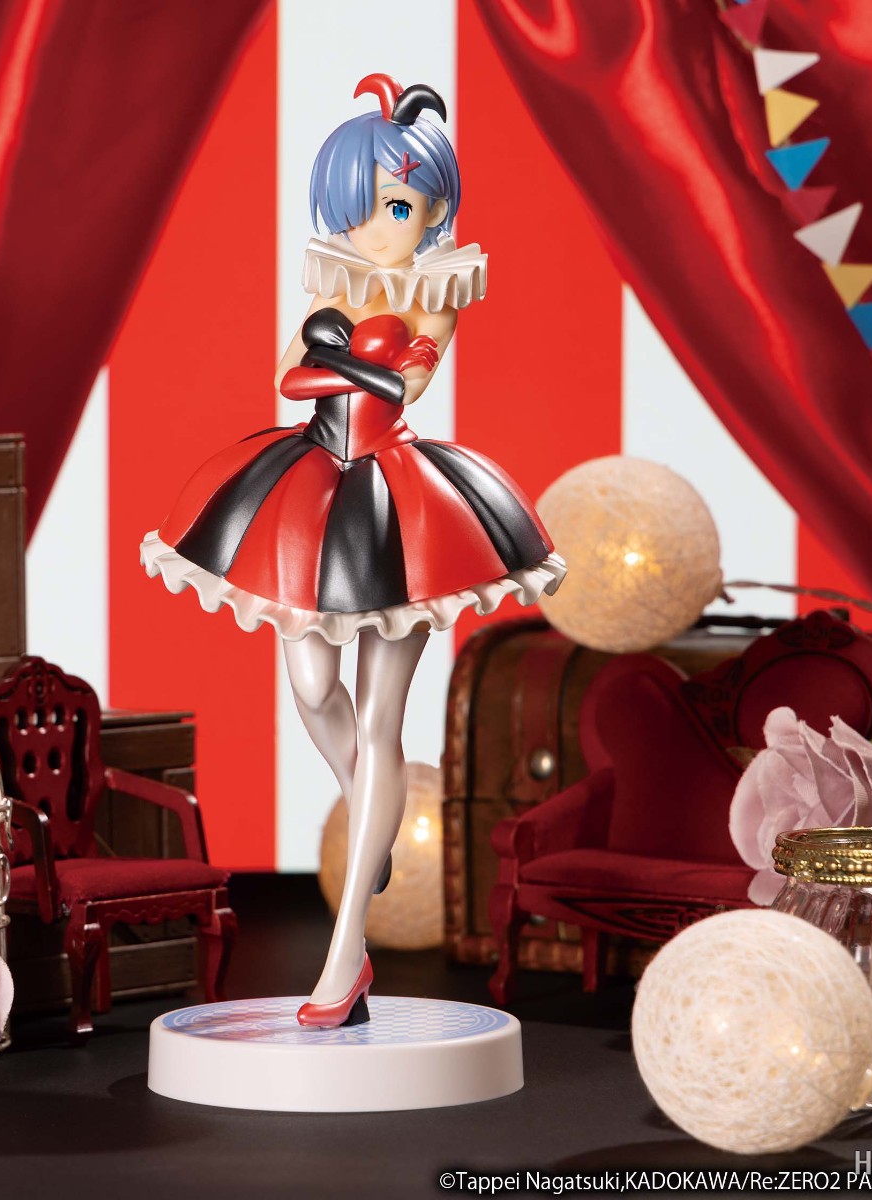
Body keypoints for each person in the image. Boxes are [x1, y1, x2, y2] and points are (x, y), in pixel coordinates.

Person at [141, 73, 565, 1028]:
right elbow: (286, 378)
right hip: (310, 486)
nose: (381, 227)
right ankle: (369, 814)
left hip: (400, 503)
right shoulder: (331, 281)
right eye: (365, 206)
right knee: (310, 688)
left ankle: (344, 959)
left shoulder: (435, 291)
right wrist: (330, 356)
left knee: (379, 720)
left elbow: (404, 386)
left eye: (403, 207)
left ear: (434, 212)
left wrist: (339, 357)